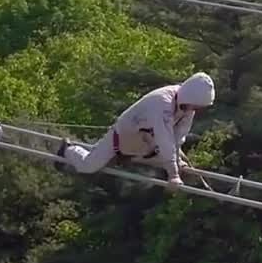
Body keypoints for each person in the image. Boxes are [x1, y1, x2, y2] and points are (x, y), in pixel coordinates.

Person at [54, 72, 215, 186]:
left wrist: (179, 164)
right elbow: (164, 140)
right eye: (197, 105)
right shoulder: (162, 103)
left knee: (175, 163)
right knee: (88, 166)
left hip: (142, 147)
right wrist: (173, 175)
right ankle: (69, 149)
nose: (196, 109)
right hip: (120, 139)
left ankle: (191, 176)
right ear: (190, 97)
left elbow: (177, 138)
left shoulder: (187, 110)